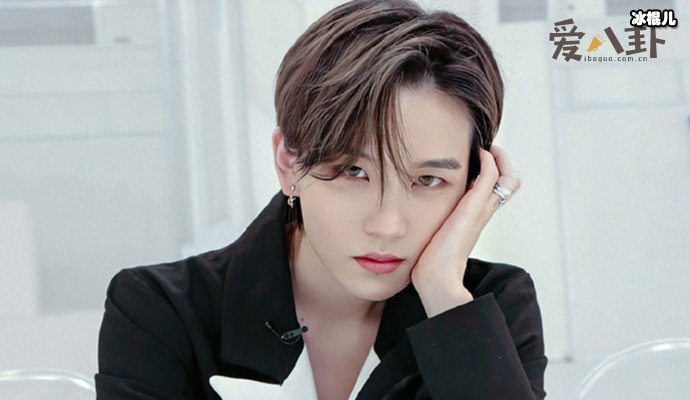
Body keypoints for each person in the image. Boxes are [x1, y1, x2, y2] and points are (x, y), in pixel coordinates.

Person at [96, 0, 547, 399]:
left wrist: (444, 297)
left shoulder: (488, 309)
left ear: (474, 184)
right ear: (288, 163)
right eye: (353, 171)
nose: (388, 225)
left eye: (428, 180)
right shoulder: (159, 312)